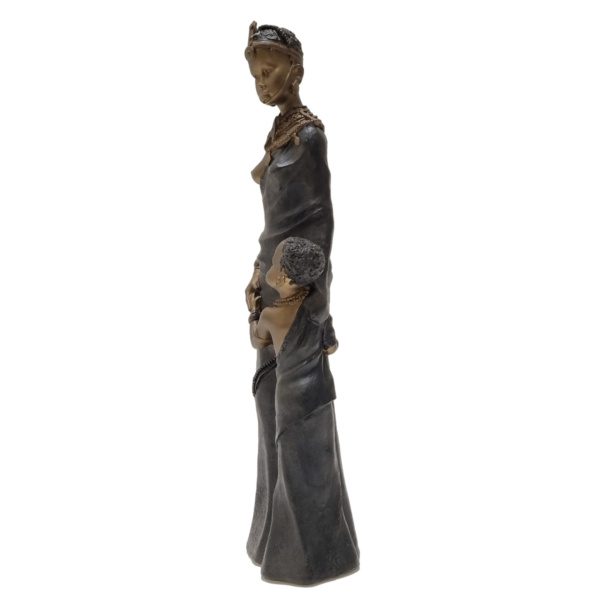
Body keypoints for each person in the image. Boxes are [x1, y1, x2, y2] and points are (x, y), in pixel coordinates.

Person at [243, 23, 359, 585]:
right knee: (267, 407)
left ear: (296, 70)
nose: (262, 83)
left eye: (270, 71)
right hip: (272, 283)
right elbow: (273, 225)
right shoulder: (278, 132)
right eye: (255, 75)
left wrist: (310, 303)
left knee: (300, 419)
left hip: (298, 294)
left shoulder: (309, 138)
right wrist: (256, 272)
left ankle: (315, 551)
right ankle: (272, 536)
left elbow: (319, 226)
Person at [248, 237, 359, 585]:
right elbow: (331, 345)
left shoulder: (272, 315)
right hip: (320, 399)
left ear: (286, 278)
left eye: (275, 265)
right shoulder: (317, 311)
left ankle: (295, 559)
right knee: (321, 474)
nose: (271, 269)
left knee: (294, 476)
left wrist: (252, 305)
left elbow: (258, 339)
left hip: (290, 405)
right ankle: (333, 553)